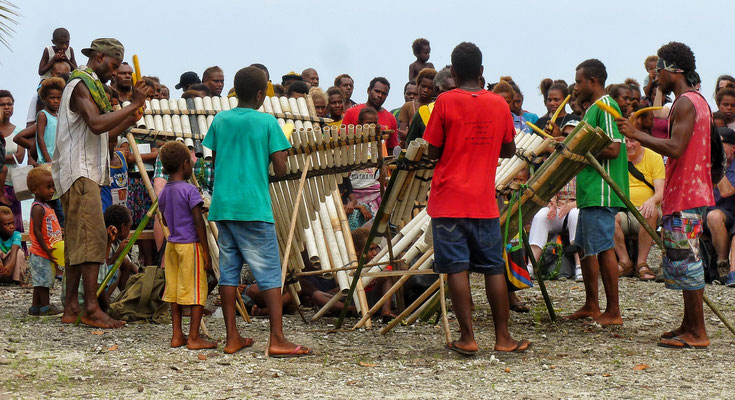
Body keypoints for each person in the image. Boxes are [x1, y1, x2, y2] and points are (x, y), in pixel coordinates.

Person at [424, 42, 530, 355]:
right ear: (482, 71)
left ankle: (468, 338)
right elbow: (509, 150)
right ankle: (503, 337)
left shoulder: (444, 101)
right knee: (494, 268)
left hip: (448, 199)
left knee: (457, 267)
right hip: (483, 200)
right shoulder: (499, 104)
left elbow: (432, 151)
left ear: (453, 72)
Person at [202, 65, 310, 356]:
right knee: (270, 274)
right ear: (262, 94)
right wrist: (281, 154)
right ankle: (276, 339)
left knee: (228, 274)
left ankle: (232, 338)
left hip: (224, 206)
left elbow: (215, 157)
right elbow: (280, 167)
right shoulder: (267, 123)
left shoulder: (220, 120)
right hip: (253, 207)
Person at [616, 42, 713, 349]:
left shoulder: (686, 103)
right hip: (690, 192)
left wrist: (637, 135)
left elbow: (675, 147)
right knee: (686, 261)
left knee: (689, 262)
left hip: (687, 194)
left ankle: (697, 332)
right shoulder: (695, 101)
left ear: (675, 70)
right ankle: (688, 324)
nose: (655, 76)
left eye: (658, 70)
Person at [52, 38, 151, 329]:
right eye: (112, 64)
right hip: (79, 172)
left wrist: (132, 114)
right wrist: (133, 103)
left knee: (77, 243)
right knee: (94, 239)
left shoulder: (91, 85)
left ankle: (72, 307)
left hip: (83, 171)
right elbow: (97, 124)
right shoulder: (81, 83)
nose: (114, 71)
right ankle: (92, 308)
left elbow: (104, 133)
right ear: (98, 57)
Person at [566, 58, 628, 326]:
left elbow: (614, 148)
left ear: (593, 81)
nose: (576, 86)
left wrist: (577, 149)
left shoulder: (606, 106)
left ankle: (613, 310)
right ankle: (592, 304)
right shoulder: (592, 109)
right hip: (590, 190)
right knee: (587, 249)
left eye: (579, 81)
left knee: (603, 249)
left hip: (603, 190)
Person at [156, 141, 217, 350]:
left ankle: (177, 335)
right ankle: (193, 338)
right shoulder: (190, 191)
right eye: (191, 163)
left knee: (174, 292)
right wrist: (206, 251)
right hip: (191, 246)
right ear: (184, 165)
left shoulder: (164, 192)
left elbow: (163, 220)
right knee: (197, 292)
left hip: (172, 246)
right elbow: (199, 222)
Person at [613, 137, 665, 281]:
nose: (629, 145)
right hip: (623, 210)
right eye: (625, 142)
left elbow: (660, 192)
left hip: (647, 210)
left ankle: (641, 263)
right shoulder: (616, 157)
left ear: (640, 140)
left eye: (633, 141)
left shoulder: (653, 157)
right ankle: (625, 262)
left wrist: (651, 200)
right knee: (608, 219)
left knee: (650, 213)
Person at [701, 128, 735, 284]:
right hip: (704, 209)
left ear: (733, 147)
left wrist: (716, 164)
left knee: (713, 216)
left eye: (720, 144)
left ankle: (722, 264)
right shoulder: (702, 161)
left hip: (729, 213)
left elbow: (726, 192)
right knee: (676, 215)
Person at [27, 167, 63, 316]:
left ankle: (35, 307)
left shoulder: (47, 206)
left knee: (39, 280)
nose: (52, 190)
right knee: (44, 281)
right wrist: (46, 249)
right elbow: (36, 231)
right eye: (48, 187)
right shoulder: (38, 208)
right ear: (35, 189)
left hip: (45, 250)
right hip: (41, 252)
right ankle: (46, 306)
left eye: (53, 187)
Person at [341, 77, 399, 151]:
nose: (380, 95)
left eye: (384, 93)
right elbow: (342, 141)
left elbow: (391, 148)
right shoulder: (351, 112)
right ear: (368, 90)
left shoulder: (391, 118)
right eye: (377, 91)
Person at [405, 67, 456, 145]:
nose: (456, 93)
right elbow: (410, 146)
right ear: (438, 91)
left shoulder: (467, 111)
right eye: (451, 90)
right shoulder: (424, 112)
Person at [0, 90, 27, 231]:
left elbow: (20, 157)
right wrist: (9, 157)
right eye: (2, 104)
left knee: (14, 225)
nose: (6, 107)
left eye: (9, 104)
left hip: (13, 185)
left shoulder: (19, 132)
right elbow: (15, 156)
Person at [398, 69, 436, 146]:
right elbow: (401, 133)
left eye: (430, 88)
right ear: (418, 85)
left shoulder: (436, 106)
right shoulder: (408, 106)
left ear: (435, 89)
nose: (425, 90)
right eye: (423, 86)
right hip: (412, 150)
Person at [35, 77, 65, 164]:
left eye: (58, 98)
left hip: (59, 160)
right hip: (47, 161)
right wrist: (48, 160)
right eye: (52, 98)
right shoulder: (43, 115)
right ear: (44, 98)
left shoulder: (59, 116)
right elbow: (40, 138)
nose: (56, 101)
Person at [0, 206, 26, 285]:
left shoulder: (16, 234)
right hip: (2, 271)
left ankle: (18, 280)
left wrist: (10, 265)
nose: (12, 226)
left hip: (11, 270)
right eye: (7, 224)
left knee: (19, 252)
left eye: (13, 223)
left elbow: (15, 248)